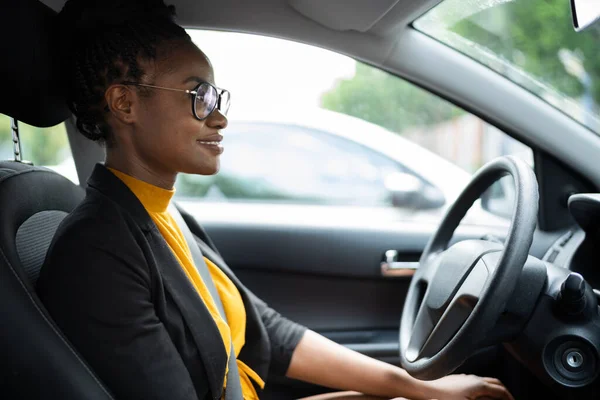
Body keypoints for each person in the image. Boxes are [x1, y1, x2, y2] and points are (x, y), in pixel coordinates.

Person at [36, 1, 514, 399]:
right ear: (125, 104)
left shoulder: (168, 216)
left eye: (218, 96)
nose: (219, 117)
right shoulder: (97, 252)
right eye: (197, 95)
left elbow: (272, 337)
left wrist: (416, 387)